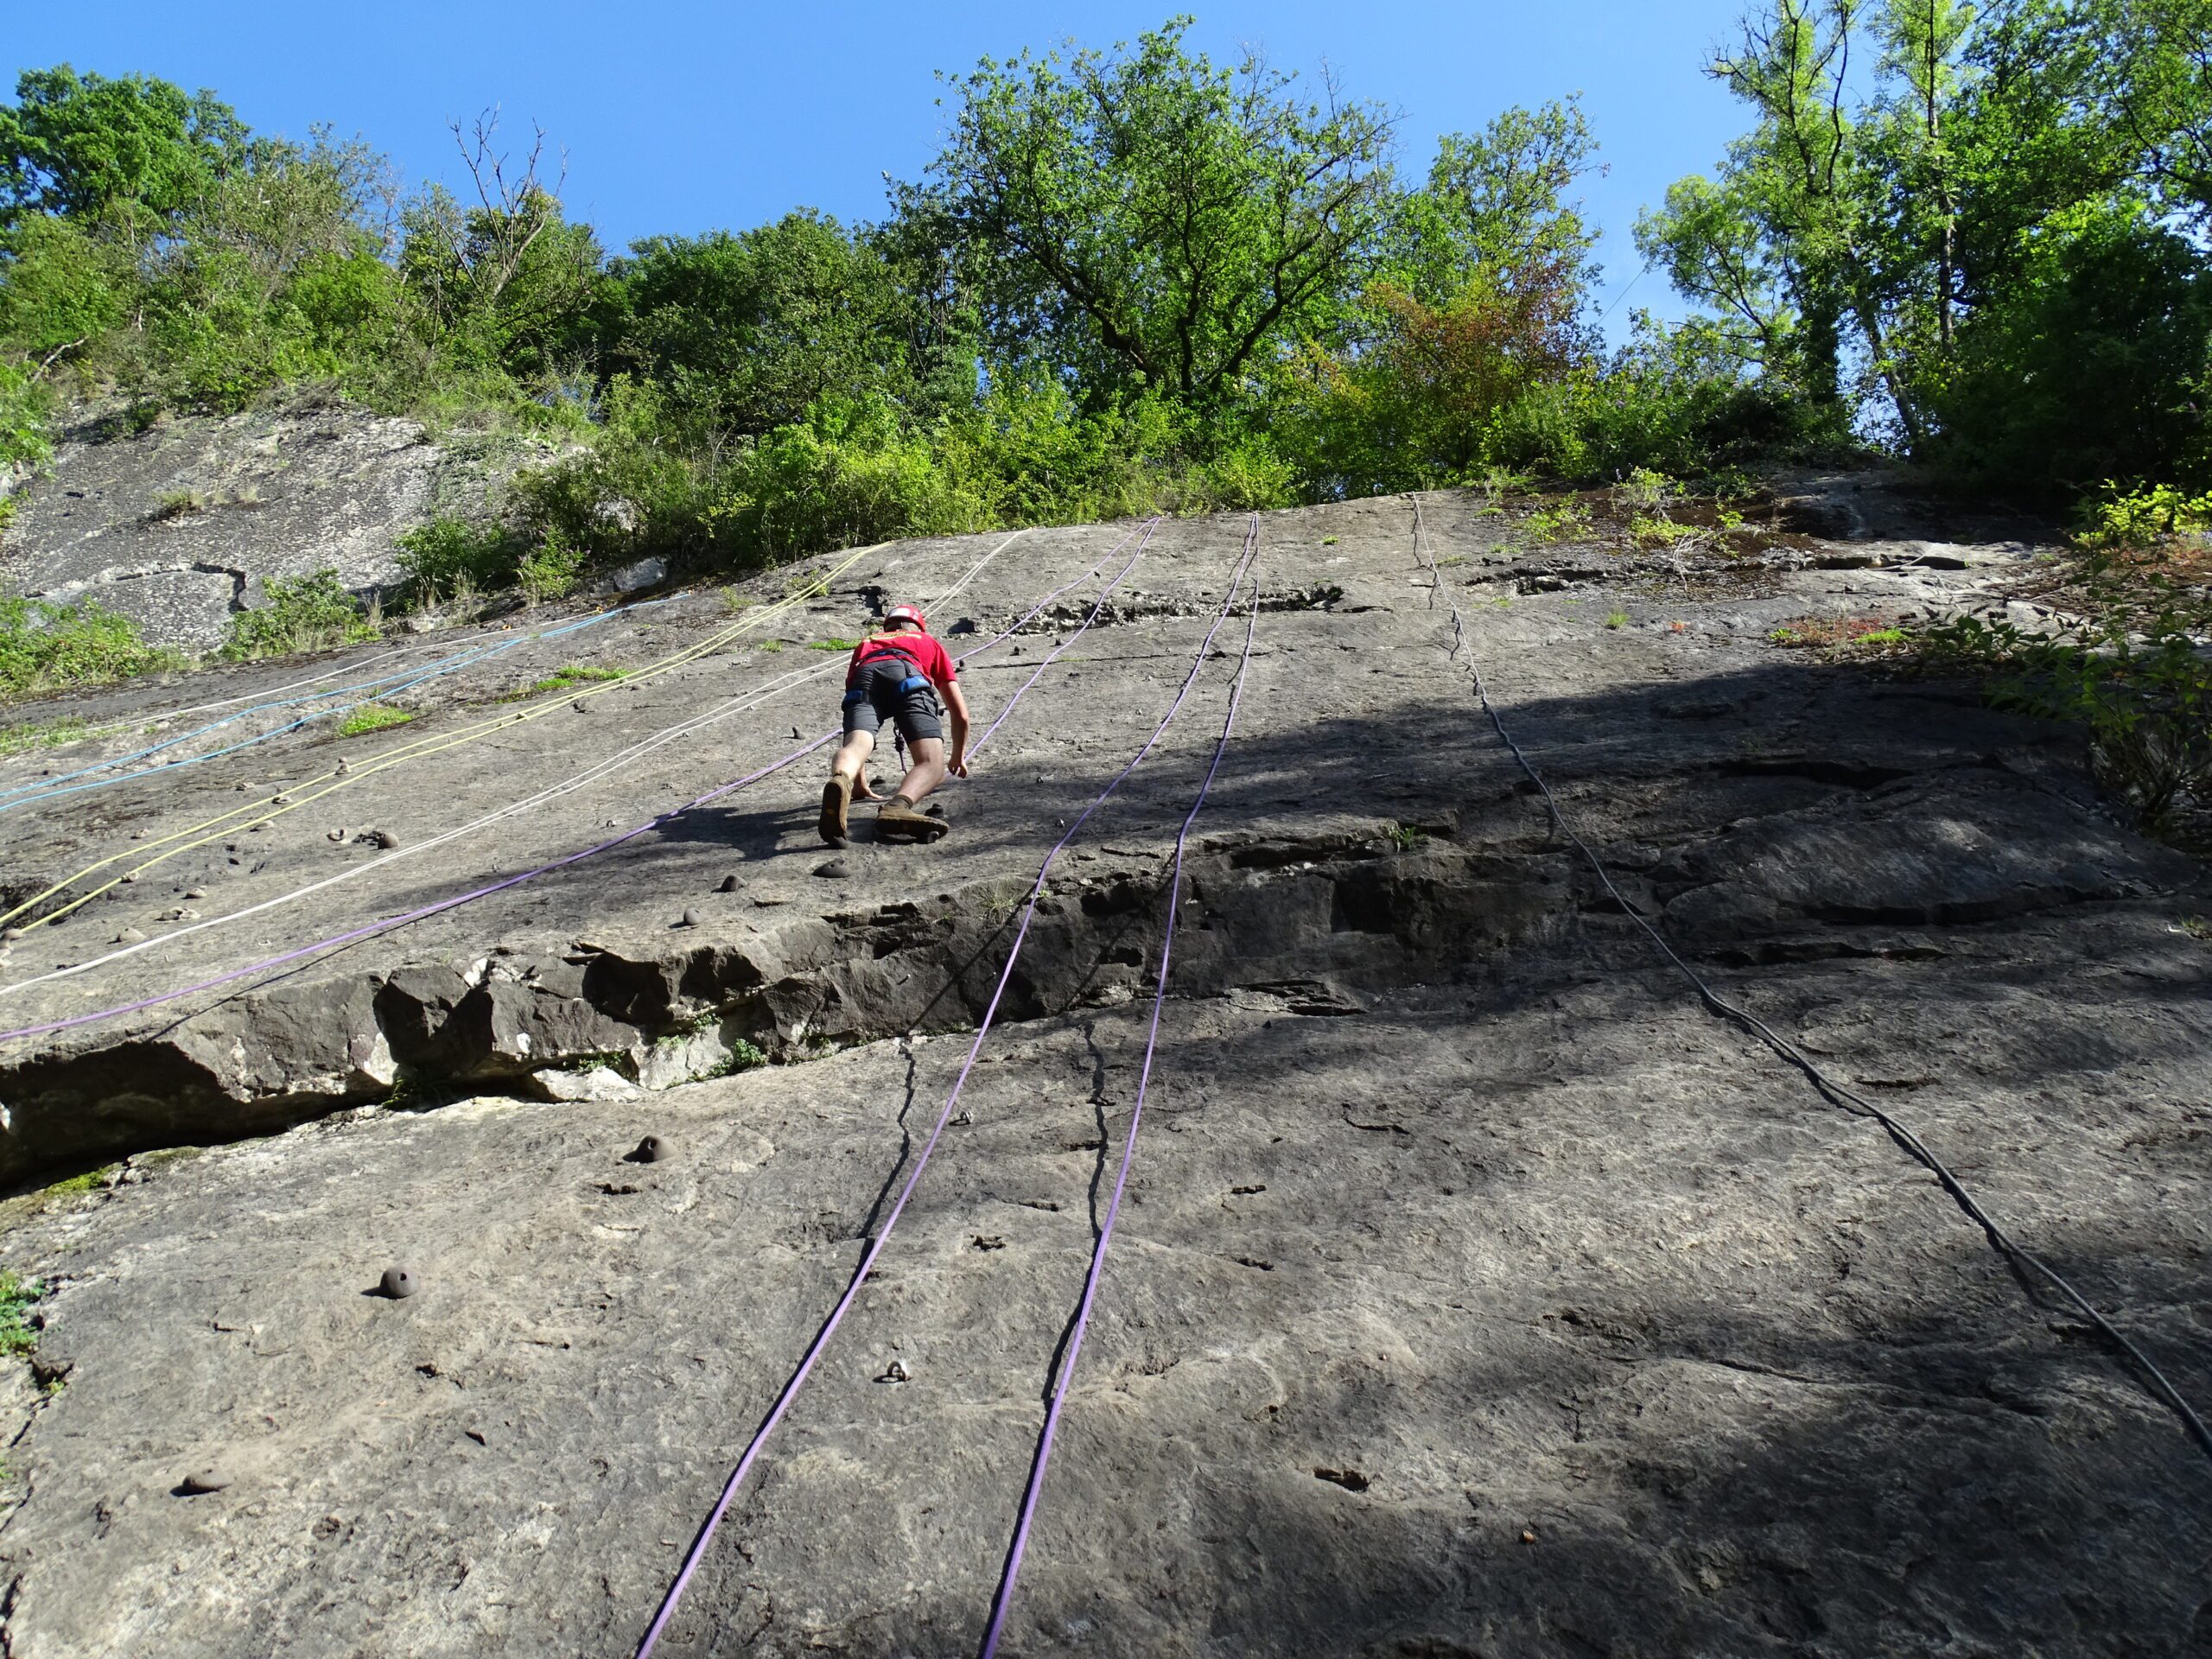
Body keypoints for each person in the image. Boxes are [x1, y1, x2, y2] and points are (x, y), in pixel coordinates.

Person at [819, 603, 970, 846]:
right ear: (918, 626)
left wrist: (858, 785)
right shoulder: (926, 641)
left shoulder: (868, 642)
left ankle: (841, 779)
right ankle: (898, 806)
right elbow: (960, 714)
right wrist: (957, 757)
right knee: (931, 764)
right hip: (908, 675)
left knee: (857, 744)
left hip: (865, 676)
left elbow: (853, 722)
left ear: (887, 626)